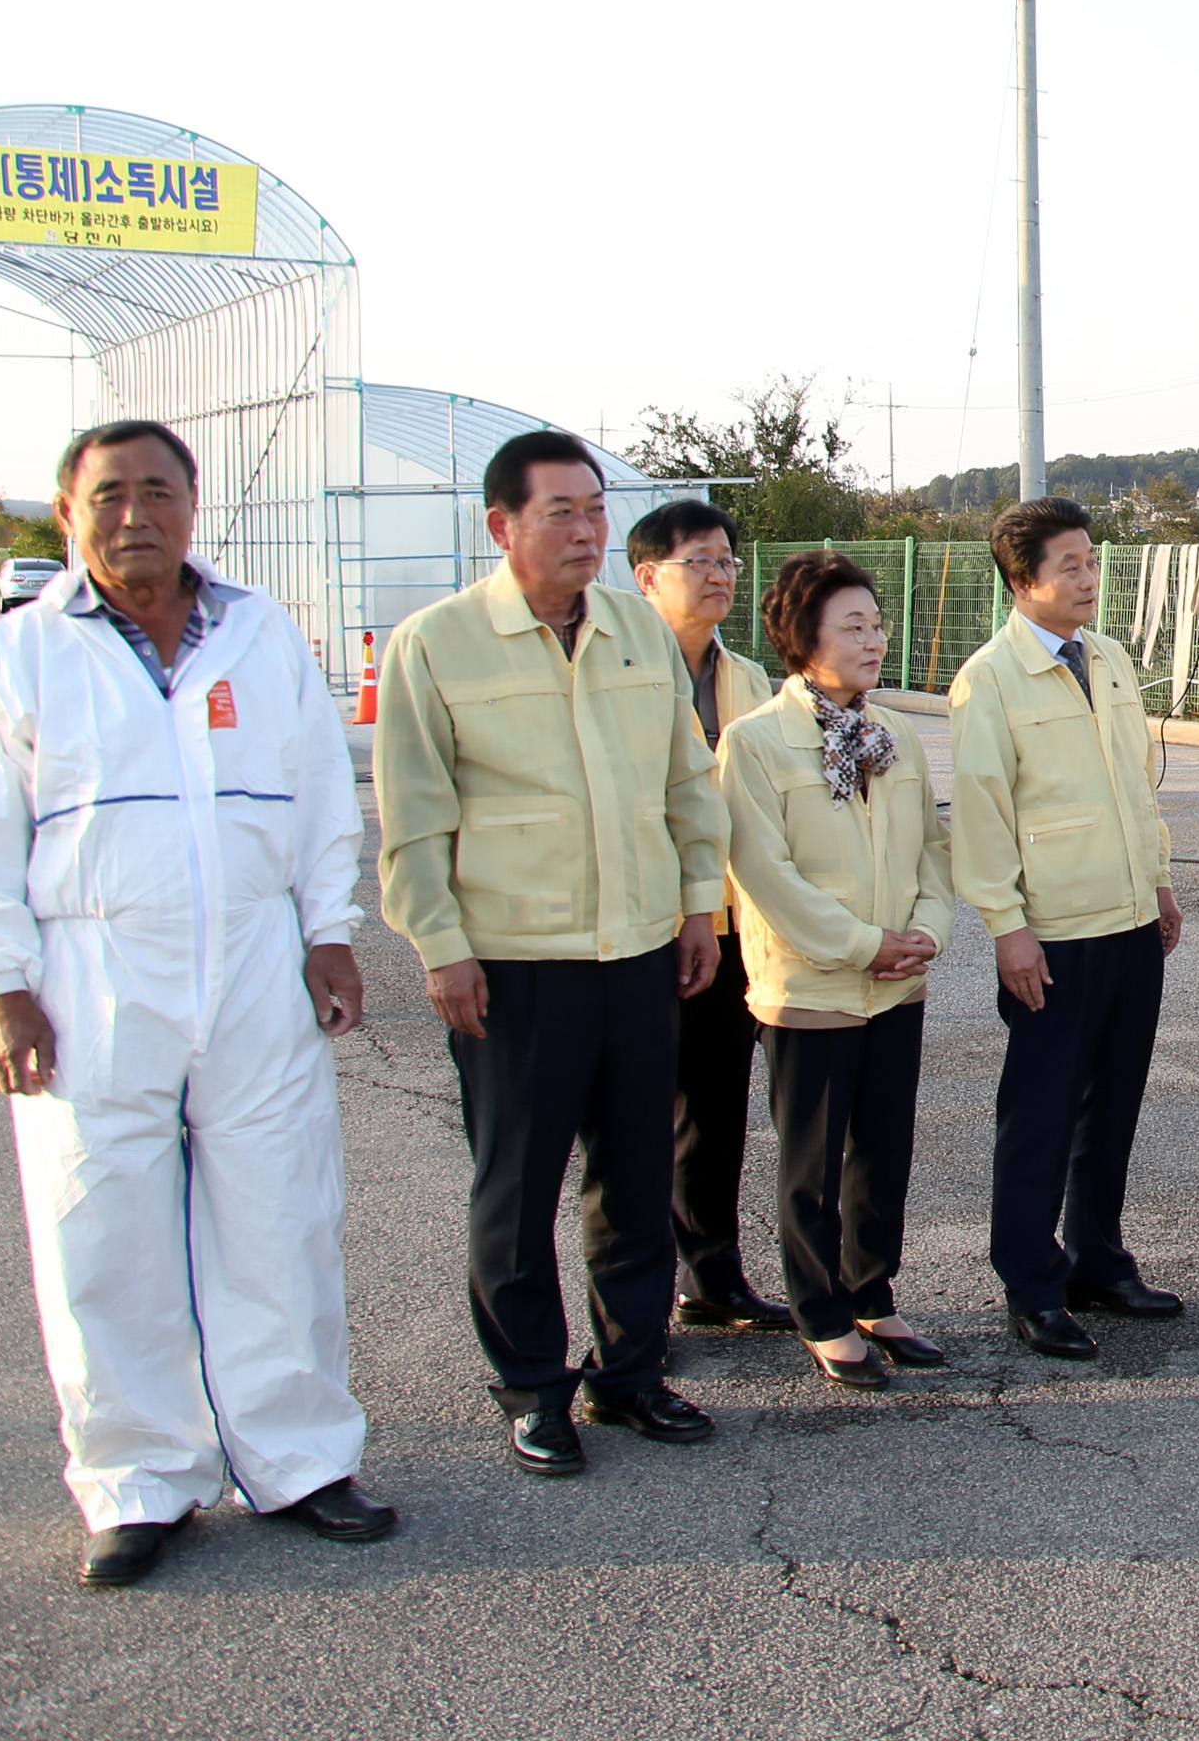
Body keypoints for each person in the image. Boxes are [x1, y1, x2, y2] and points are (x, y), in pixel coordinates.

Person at [0, 420, 395, 1588]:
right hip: (89, 978)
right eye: (109, 495)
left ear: (194, 505)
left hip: (251, 963)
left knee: (280, 1212)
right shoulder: (23, 654)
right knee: (102, 1232)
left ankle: (298, 1461)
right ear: (65, 514)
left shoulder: (258, 633)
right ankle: (139, 1481)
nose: (135, 514)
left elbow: (313, 793)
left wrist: (327, 931)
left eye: (157, 492)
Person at [375, 430, 730, 1477]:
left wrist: (698, 908)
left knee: (634, 1177)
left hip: (637, 953)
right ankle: (534, 1387)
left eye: (594, 508)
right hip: (514, 963)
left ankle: (632, 1373)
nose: (586, 530)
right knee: (517, 1187)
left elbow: (683, 782)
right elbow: (412, 820)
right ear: (503, 526)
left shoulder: (634, 628)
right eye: (560, 512)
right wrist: (441, 948)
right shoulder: (437, 644)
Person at [949, 498, 1186, 1361]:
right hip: (1052, 933)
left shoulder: (1112, 660)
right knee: (1041, 1113)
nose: (1089, 579)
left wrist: (1158, 882)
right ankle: (1030, 1282)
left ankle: (1097, 1258)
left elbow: (1137, 785)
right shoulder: (990, 677)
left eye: (1093, 561)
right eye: (1070, 567)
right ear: (1023, 582)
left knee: (1112, 1106)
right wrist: (1007, 928)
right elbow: (981, 812)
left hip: (1127, 920)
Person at [721, 554, 952, 1388]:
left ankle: (871, 1293)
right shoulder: (752, 741)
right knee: (812, 1165)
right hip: (812, 984)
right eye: (852, 626)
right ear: (801, 636)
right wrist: (864, 943)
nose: (873, 640)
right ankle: (820, 1312)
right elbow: (764, 872)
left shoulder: (891, 734)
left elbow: (932, 847)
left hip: (897, 981)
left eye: (877, 624)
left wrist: (924, 930)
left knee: (881, 1153)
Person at [627, 499, 789, 1335]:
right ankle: (637, 1300)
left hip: (731, 929)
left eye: (728, 560)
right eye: (702, 561)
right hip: (647, 923)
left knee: (717, 1106)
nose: (722, 575)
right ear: (647, 576)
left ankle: (713, 1273)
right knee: (637, 1117)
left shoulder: (748, 678)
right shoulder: (618, 671)